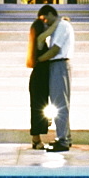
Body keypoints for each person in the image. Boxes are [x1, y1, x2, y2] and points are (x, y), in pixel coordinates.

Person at [36, 4, 74, 152]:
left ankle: (63, 140)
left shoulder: (62, 26)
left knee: (60, 103)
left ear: (51, 14)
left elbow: (55, 49)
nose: (45, 22)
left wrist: (39, 60)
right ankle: (65, 137)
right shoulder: (58, 26)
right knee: (59, 102)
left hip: (60, 64)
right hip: (56, 65)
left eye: (45, 18)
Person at [26, 13, 54, 149]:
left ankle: (37, 138)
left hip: (41, 77)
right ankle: (36, 140)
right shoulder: (39, 41)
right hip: (39, 78)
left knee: (40, 108)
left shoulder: (40, 42)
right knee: (37, 109)